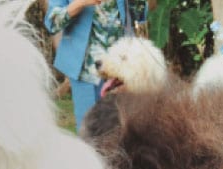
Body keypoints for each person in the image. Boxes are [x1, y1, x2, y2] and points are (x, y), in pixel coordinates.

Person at [44, 0, 148, 131]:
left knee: (124, 129)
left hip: (122, 69)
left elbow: (139, 15)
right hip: (85, 68)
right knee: (90, 132)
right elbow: (52, 22)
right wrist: (80, 3)